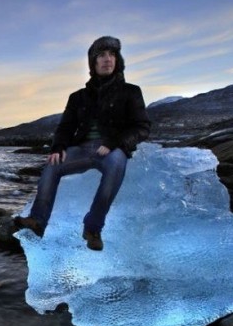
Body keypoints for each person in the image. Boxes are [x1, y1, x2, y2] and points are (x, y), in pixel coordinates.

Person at [15, 35, 150, 251]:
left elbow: (142, 127)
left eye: (112, 55)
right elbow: (66, 127)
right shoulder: (78, 97)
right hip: (82, 149)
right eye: (102, 55)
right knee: (52, 166)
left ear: (118, 60)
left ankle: (93, 228)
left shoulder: (131, 92)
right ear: (93, 62)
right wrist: (58, 147)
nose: (108, 59)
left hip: (112, 149)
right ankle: (37, 221)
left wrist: (115, 142)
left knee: (116, 164)